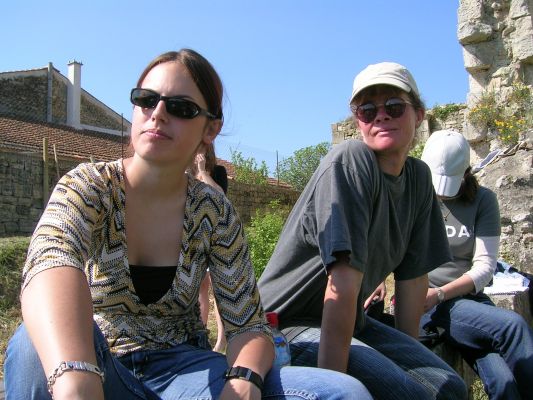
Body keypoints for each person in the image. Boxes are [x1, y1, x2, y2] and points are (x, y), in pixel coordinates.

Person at [3, 49, 372, 400]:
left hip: (186, 373)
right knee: (32, 345)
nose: (158, 114)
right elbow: (50, 261)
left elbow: (248, 326)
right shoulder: (90, 186)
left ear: (210, 129)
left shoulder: (214, 211)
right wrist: (75, 376)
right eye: (146, 99)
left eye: (180, 108)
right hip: (99, 366)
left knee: (342, 392)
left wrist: (244, 379)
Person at [258, 62, 468, 400]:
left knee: (449, 388)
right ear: (358, 122)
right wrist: (334, 388)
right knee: (409, 395)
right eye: (367, 110)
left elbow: (413, 280)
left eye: (394, 106)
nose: (380, 115)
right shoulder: (350, 161)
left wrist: (408, 358)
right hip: (283, 325)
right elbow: (341, 287)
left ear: (419, 114)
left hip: (352, 321)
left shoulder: (418, 178)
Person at [419, 129, 533, 400]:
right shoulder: (414, 197)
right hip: (426, 304)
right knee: (513, 326)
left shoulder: (483, 200)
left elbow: (484, 267)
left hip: (462, 299)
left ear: (466, 172)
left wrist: (441, 293)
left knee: (504, 381)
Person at [191, 143, 228, 352]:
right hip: (194, 238)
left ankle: (222, 341)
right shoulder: (185, 173)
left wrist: (203, 171)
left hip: (215, 237)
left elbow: (220, 196)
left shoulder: (218, 172)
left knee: (219, 290)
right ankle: (201, 332)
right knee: (200, 288)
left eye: (202, 148)